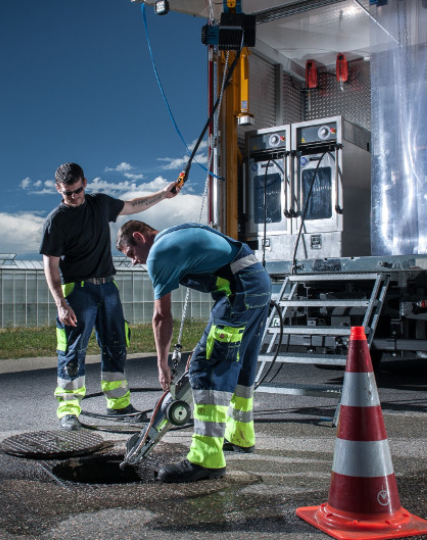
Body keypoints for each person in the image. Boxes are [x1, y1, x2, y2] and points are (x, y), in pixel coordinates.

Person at [116, 220, 271, 483]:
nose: (133, 262)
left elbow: (161, 317)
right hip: (256, 284)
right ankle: (241, 436)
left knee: (206, 367)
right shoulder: (175, 233)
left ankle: (206, 459)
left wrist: (162, 363)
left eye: (131, 255)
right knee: (239, 364)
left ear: (139, 237)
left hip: (239, 292)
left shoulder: (158, 254)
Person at [40, 162, 179, 431]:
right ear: (59, 189)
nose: (75, 196)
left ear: (85, 183)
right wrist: (61, 303)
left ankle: (118, 405)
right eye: (69, 193)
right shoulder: (56, 220)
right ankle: (69, 410)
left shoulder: (100, 204)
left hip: (107, 288)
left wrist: (163, 194)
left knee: (116, 344)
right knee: (73, 349)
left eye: (78, 190)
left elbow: (133, 205)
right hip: (77, 291)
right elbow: (51, 264)